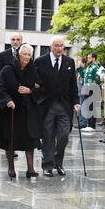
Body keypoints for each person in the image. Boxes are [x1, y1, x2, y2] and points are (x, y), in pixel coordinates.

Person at [0, 44, 43, 179]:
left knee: (30, 140)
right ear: (18, 55)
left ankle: (30, 169)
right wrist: (7, 100)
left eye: (29, 55)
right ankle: (11, 168)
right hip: (11, 110)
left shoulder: (33, 70)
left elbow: (41, 88)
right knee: (10, 140)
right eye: (24, 54)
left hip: (28, 110)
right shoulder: (7, 69)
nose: (27, 57)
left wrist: (30, 90)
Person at [35, 36, 80, 177]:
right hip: (47, 105)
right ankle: (47, 165)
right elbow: (36, 83)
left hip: (64, 105)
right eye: (57, 45)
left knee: (64, 135)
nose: (60, 48)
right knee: (48, 136)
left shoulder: (69, 62)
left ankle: (57, 161)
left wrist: (76, 101)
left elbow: (73, 84)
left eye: (62, 46)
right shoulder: (40, 61)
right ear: (51, 47)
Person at [78, 53, 102, 132]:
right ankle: (88, 124)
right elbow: (83, 75)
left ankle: (92, 125)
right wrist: (80, 68)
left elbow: (99, 78)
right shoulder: (88, 67)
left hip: (93, 88)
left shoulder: (96, 67)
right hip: (86, 88)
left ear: (94, 58)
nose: (88, 59)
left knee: (92, 106)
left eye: (89, 58)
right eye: (87, 57)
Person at [76, 56, 87, 129]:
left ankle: (83, 122)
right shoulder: (79, 71)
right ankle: (80, 122)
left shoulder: (84, 70)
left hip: (83, 90)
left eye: (79, 61)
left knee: (83, 107)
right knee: (79, 107)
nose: (77, 62)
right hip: (79, 91)